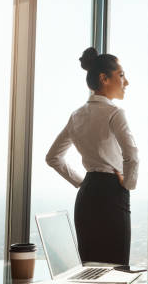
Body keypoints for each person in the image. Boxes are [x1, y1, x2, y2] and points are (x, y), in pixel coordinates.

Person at [45, 47, 138, 266]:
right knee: (116, 269)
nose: (126, 82)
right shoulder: (115, 113)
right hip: (112, 194)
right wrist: (128, 185)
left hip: (87, 197)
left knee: (90, 269)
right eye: (121, 75)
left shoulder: (77, 115)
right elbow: (132, 155)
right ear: (104, 78)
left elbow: (53, 158)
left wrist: (81, 182)